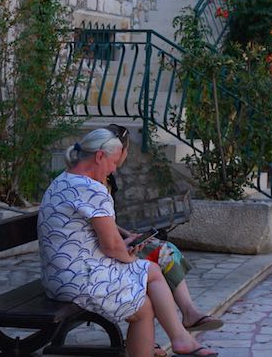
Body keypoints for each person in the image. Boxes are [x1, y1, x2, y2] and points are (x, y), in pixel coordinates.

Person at [39, 128, 218, 357]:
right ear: (100, 156)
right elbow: (111, 247)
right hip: (79, 280)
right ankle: (181, 338)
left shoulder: (63, 180)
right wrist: (129, 255)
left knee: (144, 304)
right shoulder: (92, 189)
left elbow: (94, 240)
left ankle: (180, 337)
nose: (114, 169)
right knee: (151, 270)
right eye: (114, 163)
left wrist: (125, 250)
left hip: (58, 277)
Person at [103, 125, 223, 344]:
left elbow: (105, 220)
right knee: (161, 255)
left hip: (110, 241)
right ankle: (186, 315)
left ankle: (187, 313)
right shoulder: (99, 178)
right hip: (103, 252)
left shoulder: (106, 177)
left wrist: (124, 232)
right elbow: (101, 226)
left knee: (164, 250)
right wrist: (124, 239)